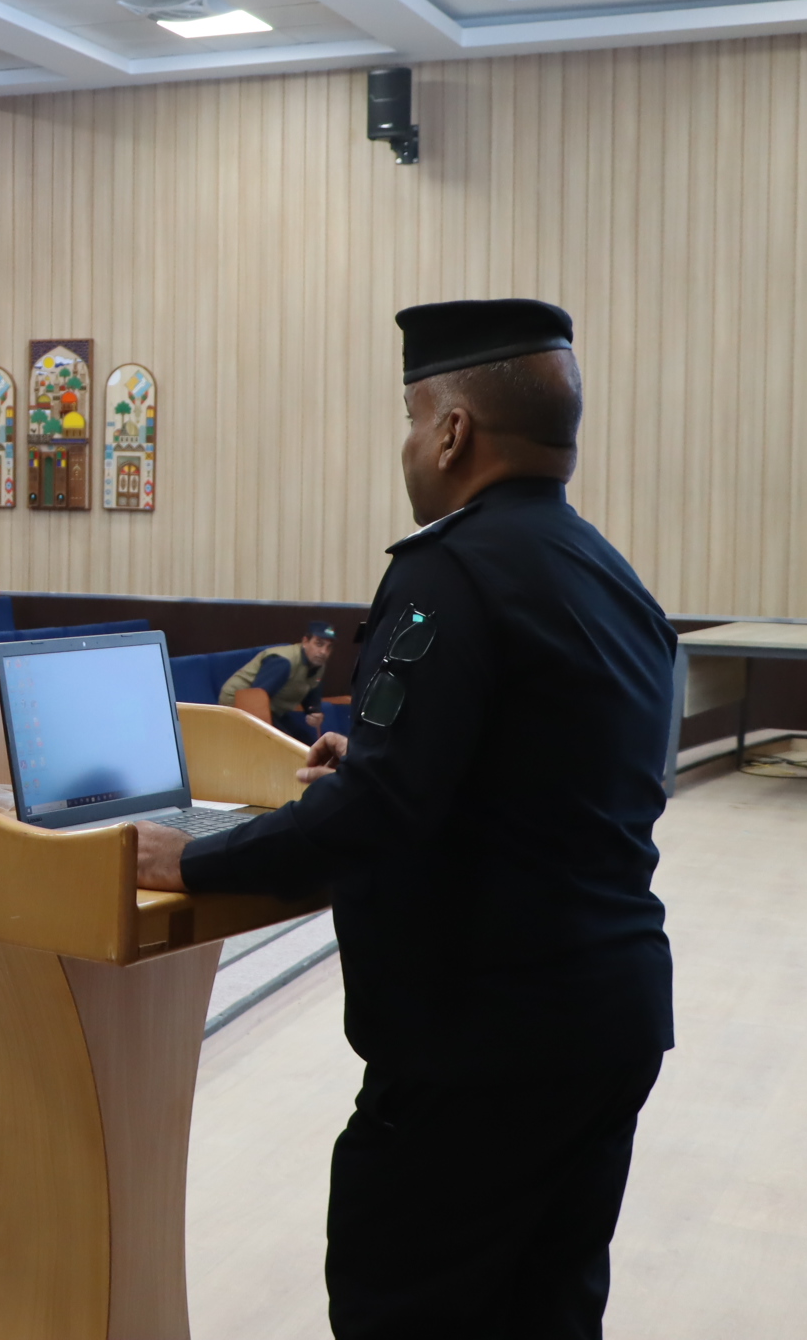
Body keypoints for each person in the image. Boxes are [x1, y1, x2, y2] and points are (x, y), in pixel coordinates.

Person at [135, 299, 676, 1339]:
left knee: (405, 1307)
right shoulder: (609, 575)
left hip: (484, 1047)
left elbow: (380, 814)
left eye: (411, 418)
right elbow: (567, 774)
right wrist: (387, 758)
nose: (410, 443)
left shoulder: (446, 570)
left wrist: (189, 862)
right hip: (608, 1020)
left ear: (452, 431)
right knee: (544, 1313)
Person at [218, 623, 339, 742]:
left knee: (306, 742)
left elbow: (311, 695)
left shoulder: (318, 665)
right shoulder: (283, 662)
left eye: (329, 647)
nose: (323, 652)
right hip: (238, 703)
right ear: (305, 642)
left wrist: (314, 713)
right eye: (319, 644)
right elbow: (255, 699)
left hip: (273, 707)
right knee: (286, 745)